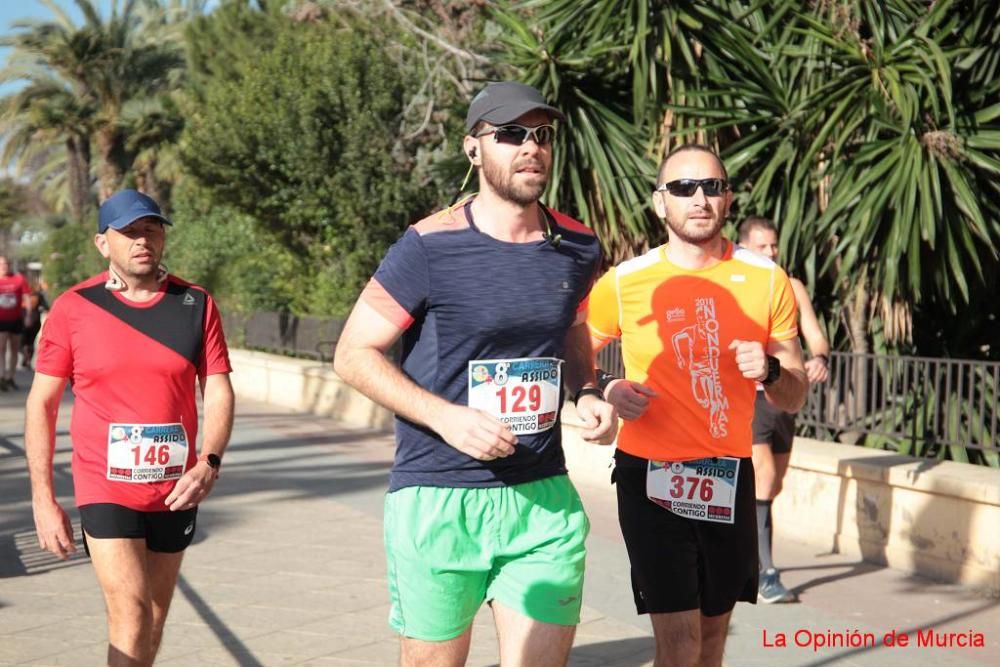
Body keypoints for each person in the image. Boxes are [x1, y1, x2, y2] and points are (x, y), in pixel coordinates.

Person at [334, 81, 617, 666]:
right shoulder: (428, 246)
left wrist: (585, 388)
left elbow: (571, 326)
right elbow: (353, 353)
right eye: (511, 134)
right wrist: (447, 418)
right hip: (439, 496)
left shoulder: (579, 245)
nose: (530, 147)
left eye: (542, 135)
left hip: (542, 497)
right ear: (473, 149)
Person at [587, 144, 809, 666]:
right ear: (660, 203)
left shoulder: (767, 279)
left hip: (727, 477)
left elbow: (795, 393)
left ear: (727, 198)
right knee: (680, 644)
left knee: (711, 643)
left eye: (711, 186)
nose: (699, 198)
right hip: (651, 475)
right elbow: (571, 356)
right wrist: (607, 388)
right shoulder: (624, 281)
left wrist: (773, 371)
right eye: (683, 189)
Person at [24, 189, 235, 667]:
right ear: (104, 244)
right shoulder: (74, 308)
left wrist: (210, 461)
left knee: (153, 621)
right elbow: (42, 402)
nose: (143, 240)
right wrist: (42, 497)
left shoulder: (196, 303)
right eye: (130, 232)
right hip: (104, 485)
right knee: (133, 614)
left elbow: (218, 388)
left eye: (152, 229)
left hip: (176, 489)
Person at [737, 216, 830, 604]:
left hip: (785, 395)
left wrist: (820, 357)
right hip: (751, 397)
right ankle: (765, 573)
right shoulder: (738, 286)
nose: (771, 253)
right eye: (762, 247)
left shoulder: (792, 287)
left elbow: (813, 332)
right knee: (764, 476)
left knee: (771, 487)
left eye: (773, 245)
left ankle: (746, 553)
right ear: (744, 248)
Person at [0, 255, 29, 390]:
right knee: (1, 347)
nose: (3, 266)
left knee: (14, 349)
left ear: (9, 265)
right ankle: (2, 376)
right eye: (1, 264)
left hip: (16, 319)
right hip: (1, 320)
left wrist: (28, 315)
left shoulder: (18, 279)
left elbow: (27, 297)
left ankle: (10, 377)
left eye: (5, 264)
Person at [21, 277, 49, 369]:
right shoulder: (38, 295)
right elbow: (45, 307)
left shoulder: (22, 295)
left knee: (23, 342)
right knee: (31, 342)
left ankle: (26, 357)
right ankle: (28, 360)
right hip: (35, 320)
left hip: (22, 320)